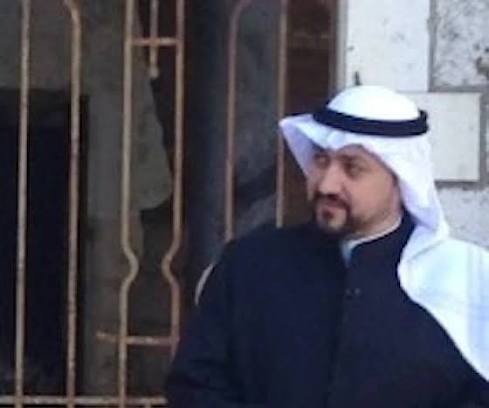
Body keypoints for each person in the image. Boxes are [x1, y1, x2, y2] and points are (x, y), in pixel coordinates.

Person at [165, 85, 489, 407]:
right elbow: (196, 385)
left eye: (352, 168)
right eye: (321, 160)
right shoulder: (250, 264)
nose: (327, 184)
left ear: (401, 179)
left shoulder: (464, 279)